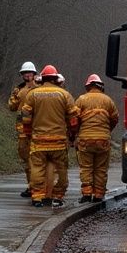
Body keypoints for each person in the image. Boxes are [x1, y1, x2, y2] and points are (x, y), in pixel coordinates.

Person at [22, 65, 78, 208]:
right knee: (61, 171)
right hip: (58, 143)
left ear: (42, 78)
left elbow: (26, 117)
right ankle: (58, 197)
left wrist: (28, 133)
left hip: (38, 142)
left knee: (37, 169)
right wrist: (72, 135)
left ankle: (37, 198)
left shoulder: (33, 94)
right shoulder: (65, 95)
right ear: (55, 78)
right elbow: (73, 119)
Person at [74, 74, 119, 205]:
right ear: (101, 86)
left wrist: (75, 133)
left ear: (88, 86)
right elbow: (115, 119)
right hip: (103, 140)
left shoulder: (81, 99)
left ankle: (87, 194)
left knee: (86, 168)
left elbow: (73, 120)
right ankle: (99, 195)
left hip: (85, 140)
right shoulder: (108, 101)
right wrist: (106, 131)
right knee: (100, 168)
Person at [8, 62, 39, 198]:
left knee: (35, 159)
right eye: (24, 73)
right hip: (22, 129)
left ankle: (36, 187)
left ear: (34, 74)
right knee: (26, 158)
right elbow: (12, 106)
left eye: (29, 72)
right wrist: (15, 96)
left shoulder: (39, 88)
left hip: (36, 128)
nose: (27, 75)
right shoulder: (18, 90)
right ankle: (31, 186)